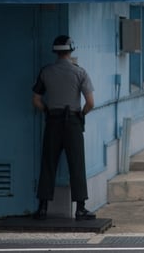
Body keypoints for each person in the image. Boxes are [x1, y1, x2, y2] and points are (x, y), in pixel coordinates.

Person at [31, 35, 96, 221]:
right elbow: (90, 102)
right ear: (71, 50)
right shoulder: (80, 72)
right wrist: (81, 114)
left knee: (48, 163)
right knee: (76, 164)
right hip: (73, 121)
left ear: (55, 52)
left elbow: (36, 100)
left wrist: (47, 111)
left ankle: (43, 207)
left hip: (53, 120)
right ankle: (80, 209)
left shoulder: (46, 72)